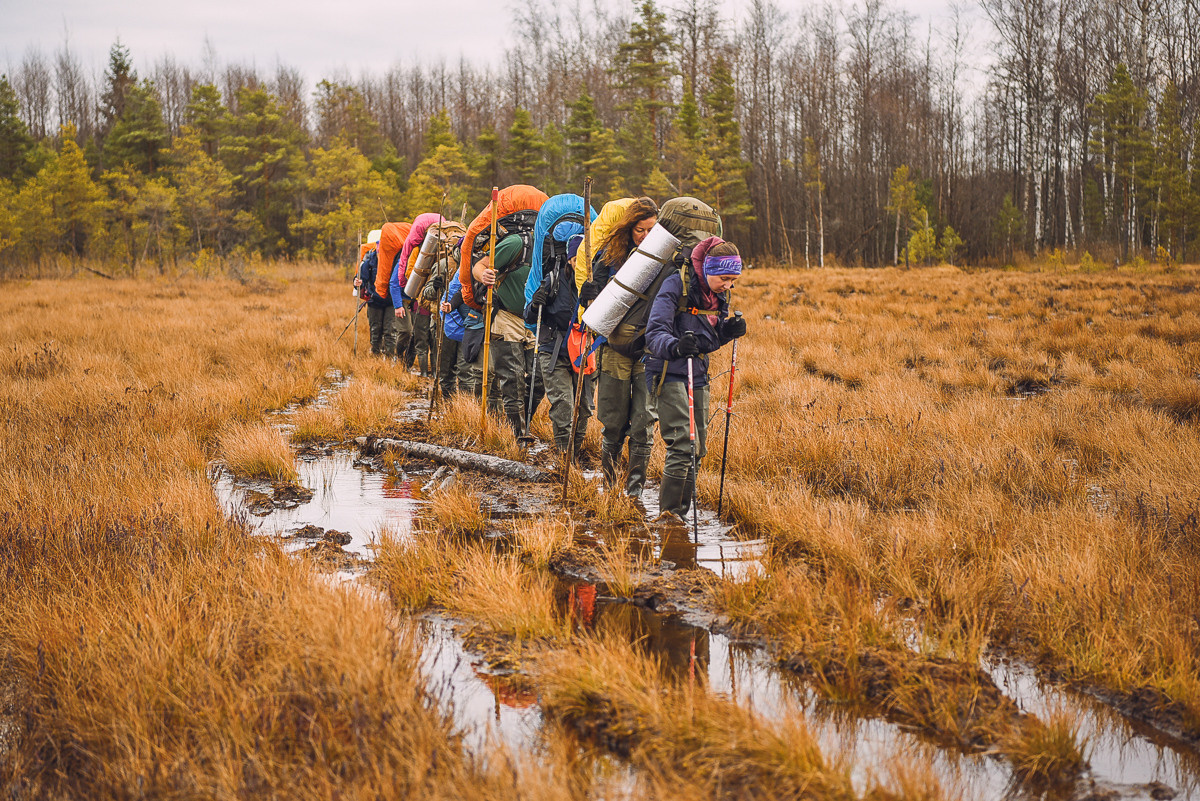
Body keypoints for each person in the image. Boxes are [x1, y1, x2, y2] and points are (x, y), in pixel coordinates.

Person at [643, 238, 747, 519]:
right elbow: (654, 333)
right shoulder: (676, 284)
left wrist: (727, 332)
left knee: (698, 449)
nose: (728, 285)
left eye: (733, 280)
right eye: (724, 278)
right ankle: (669, 517)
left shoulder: (718, 296)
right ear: (708, 270)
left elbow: (707, 341)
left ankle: (682, 515)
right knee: (684, 444)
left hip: (697, 372)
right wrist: (676, 346)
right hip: (667, 371)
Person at [576, 197, 659, 498]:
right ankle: (609, 488)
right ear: (628, 229)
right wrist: (589, 297)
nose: (646, 237)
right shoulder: (609, 259)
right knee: (613, 423)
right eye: (640, 230)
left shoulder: (666, 263)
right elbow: (593, 309)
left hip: (651, 351)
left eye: (652, 230)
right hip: (613, 349)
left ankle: (633, 492)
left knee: (643, 424)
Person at [472, 229, 543, 436]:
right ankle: (519, 434)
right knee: (513, 380)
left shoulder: (554, 248)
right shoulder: (516, 243)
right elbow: (481, 265)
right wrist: (483, 275)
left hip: (535, 321)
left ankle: (523, 423)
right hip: (506, 318)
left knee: (540, 378)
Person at [354, 241, 394, 355]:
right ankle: (375, 356)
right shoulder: (369, 262)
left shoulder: (393, 261)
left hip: (391, 301)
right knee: (375, 330)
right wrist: (357, 283)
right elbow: (361, 278)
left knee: (390, 331)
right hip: (374, 300)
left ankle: (390, 359)